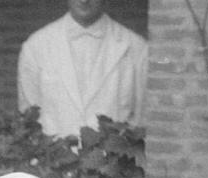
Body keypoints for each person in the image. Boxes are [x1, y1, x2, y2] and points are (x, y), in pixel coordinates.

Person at [17, 0, 147, 138]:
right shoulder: (36, 46)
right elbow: (30, 119)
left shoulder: (136, 48)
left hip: (114, 157)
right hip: (54, 156)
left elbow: (141, 120)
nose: (84, 0)